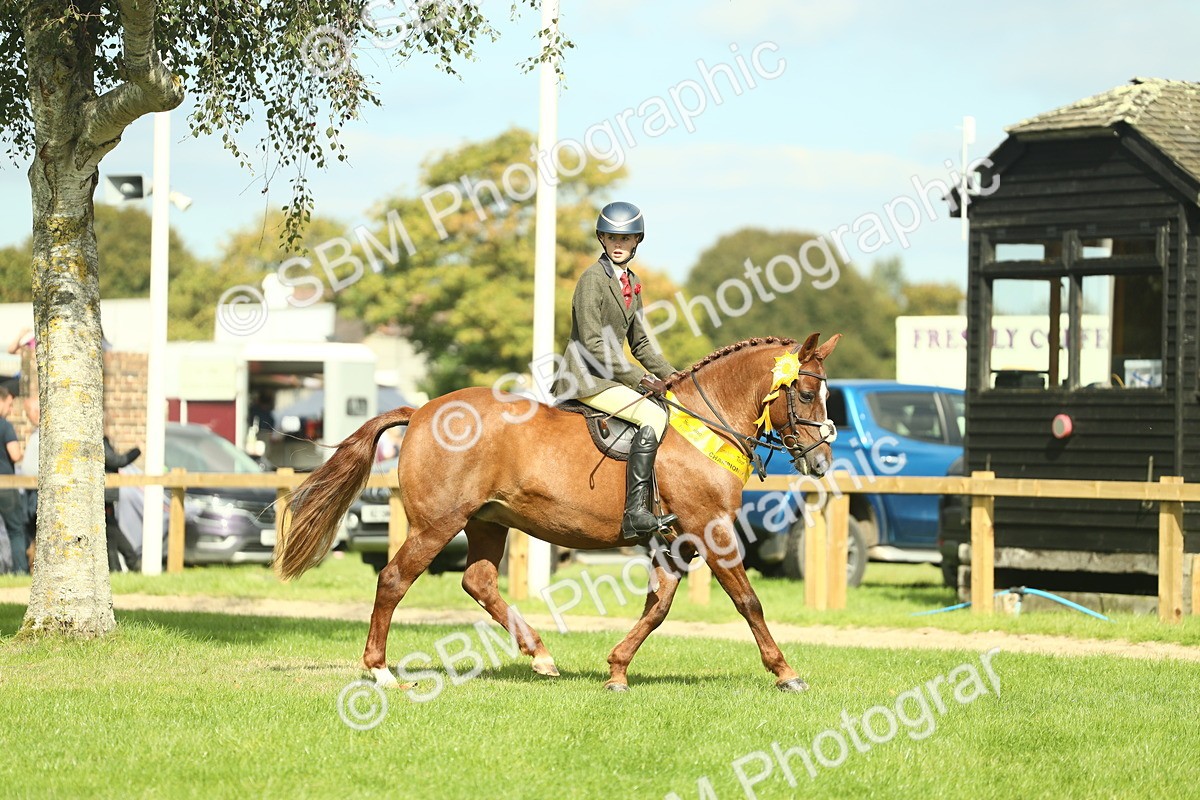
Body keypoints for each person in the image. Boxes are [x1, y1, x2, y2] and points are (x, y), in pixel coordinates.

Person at [551, 201, 679, 542]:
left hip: (608, 377)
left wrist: (676, 378)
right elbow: (593, 343)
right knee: (653, 416)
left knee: (672, 408)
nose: (618, 244)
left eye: (625, 238)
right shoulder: (592, 279)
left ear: (637, 240)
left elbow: (642, 344)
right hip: (585, 377)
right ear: (601, 239)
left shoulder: (631, 282)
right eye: (611, 238)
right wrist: (639, 379)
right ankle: (635, 513)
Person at [104, 433, 142, 572]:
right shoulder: (99, 442)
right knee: (111, 531)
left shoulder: (102, 441)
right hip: (105, 496)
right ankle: (127, 564)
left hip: (106, 497)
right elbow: (117, 461)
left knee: (111, 531)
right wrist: (136, 450)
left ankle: (123, 565)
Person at [0, 385, 27, 573]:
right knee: (16, 529)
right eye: (9, 405)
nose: (10, 410)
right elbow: (15, 454)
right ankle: (20, 571)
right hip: (6, 485)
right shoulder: (5, 426)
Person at [17, 393, 38, 570]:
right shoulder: (35, 434)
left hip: (36, 490)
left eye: (28, 411)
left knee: (34, 528)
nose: (28, 416)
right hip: (28, 489)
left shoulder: (42, 434)